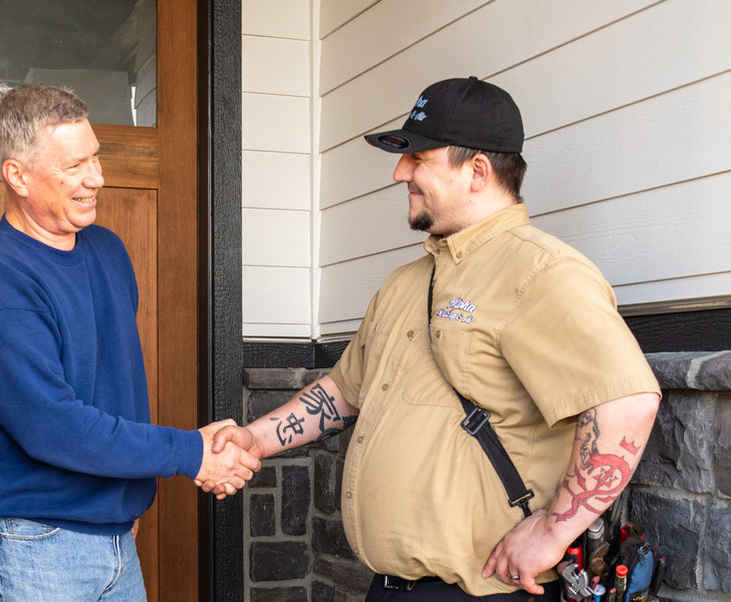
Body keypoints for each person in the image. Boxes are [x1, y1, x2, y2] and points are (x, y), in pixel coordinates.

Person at [206, 76, 661, 600]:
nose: (400, 172)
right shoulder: (406, 282)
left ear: (478, 171)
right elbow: (344, 392)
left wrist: (555, 529)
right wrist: (254, 440)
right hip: (391, 587)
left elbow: (626, 399)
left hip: (483, 591)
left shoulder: (541, 271)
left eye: (419, 158)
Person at [0, 83, 259, 601]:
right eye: (74, 166)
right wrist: (192, 452)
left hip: (111, 534)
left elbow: (111, 389)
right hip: (30, 542)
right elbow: (52, 427)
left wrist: (119, 503)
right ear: (16, 175)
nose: (97, 178)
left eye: (96, 157)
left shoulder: (107, 250)